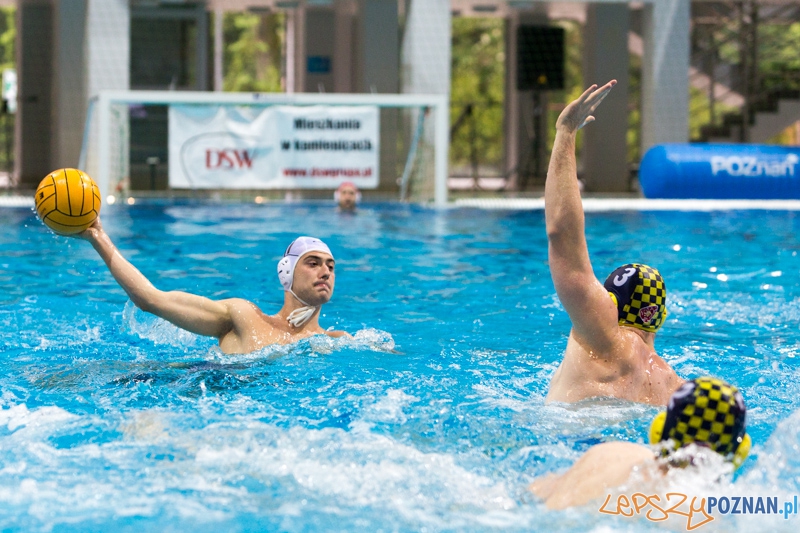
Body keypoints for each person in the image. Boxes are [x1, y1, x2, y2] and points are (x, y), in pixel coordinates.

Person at [544, 80, 684, 406]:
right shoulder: (673, 385)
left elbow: (561, 234)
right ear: (660, 317)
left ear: (609, 302)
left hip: (566, 432)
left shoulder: (601, 332)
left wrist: (565, 132)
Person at [72, 219, 347, 354]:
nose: (325, 272)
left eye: (331, 267)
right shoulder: (243, 317)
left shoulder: (338, 342)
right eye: (313, 263)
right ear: (286, 272)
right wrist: (98, 236)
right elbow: (151, 299)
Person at [530, 377, 752, 510]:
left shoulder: (607, 454)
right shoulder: (700, 512)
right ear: (739, 453)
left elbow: (535, 492)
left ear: (658, 432)